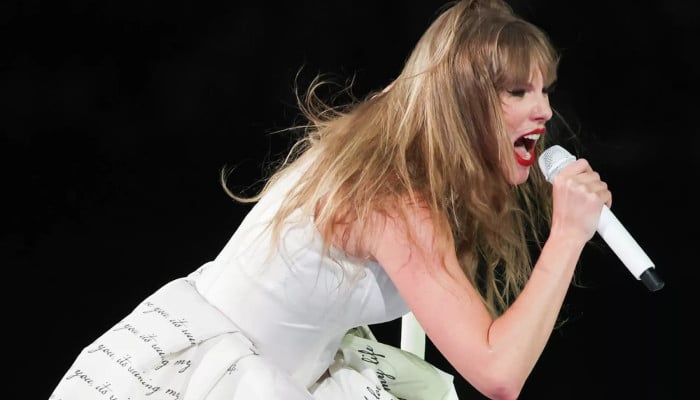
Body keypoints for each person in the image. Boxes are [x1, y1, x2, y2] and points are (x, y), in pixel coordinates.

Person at [49, 0, 613, 399]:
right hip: (210, 382)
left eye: (545, 90)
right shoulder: (391, 197)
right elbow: (498, 373)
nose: (544, 110)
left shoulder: (396, 141)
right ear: (459, 101)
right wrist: (566, 235)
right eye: (518, 91)